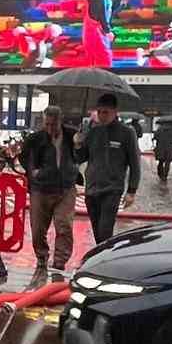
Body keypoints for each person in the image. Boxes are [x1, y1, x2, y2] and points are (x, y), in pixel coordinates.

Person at [17, 105, 81, 276]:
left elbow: (83, 154)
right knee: (38, 228)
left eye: (53, 124)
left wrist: (79, 146)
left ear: (61, 121)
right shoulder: (35, 139)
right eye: (47, 124)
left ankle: (59, 262)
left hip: (65, 188)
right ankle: (41, 257)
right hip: (40, 189)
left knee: (64, 226)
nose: (50, 128)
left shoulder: (72, 136)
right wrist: (34, 172)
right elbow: (23, 157)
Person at [74, 92, 140, 243]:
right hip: (91, 189)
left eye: (106, 112)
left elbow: (135, 163)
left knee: (105, 230)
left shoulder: (127, 133)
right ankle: (101, 258)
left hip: (112, 190)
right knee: (97, 231)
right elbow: (80, 158)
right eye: (99, 112)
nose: (102, 115)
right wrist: (78, 144)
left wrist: (131, 191)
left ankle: (105, 261)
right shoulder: (93, 132)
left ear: (115, 112)